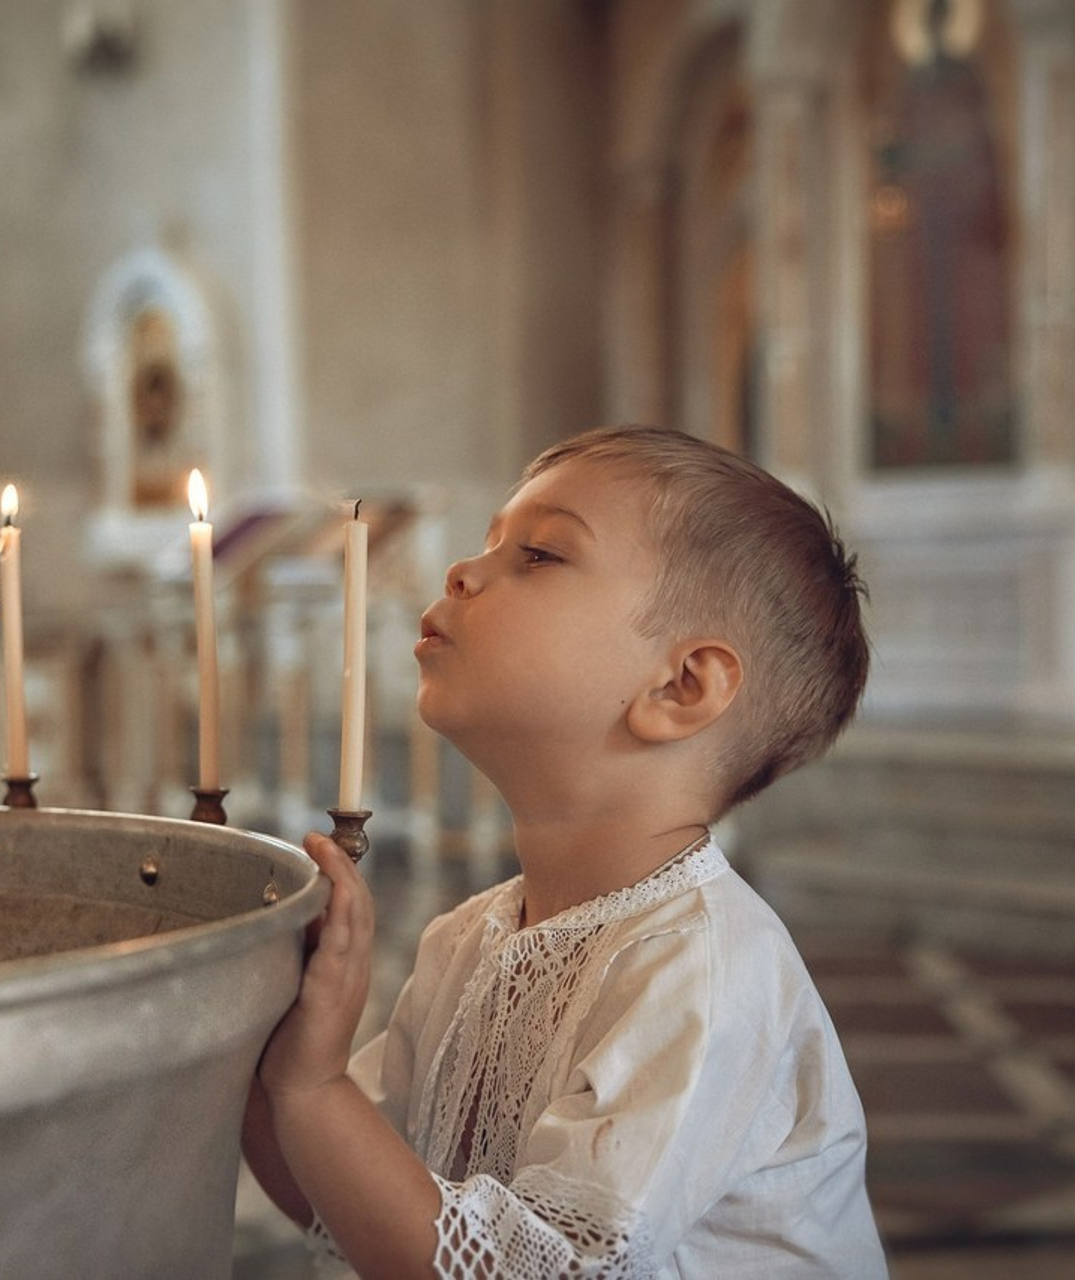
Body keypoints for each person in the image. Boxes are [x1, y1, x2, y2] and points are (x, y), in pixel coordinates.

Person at [242, 425, 888, 1278]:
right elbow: (350, 1197)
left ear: (681, 687)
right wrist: (261, 1041)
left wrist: (314, 1090)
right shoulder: (466, 941)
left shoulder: (708, 973)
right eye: (487, 544)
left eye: (540, 554)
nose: (461, 572)